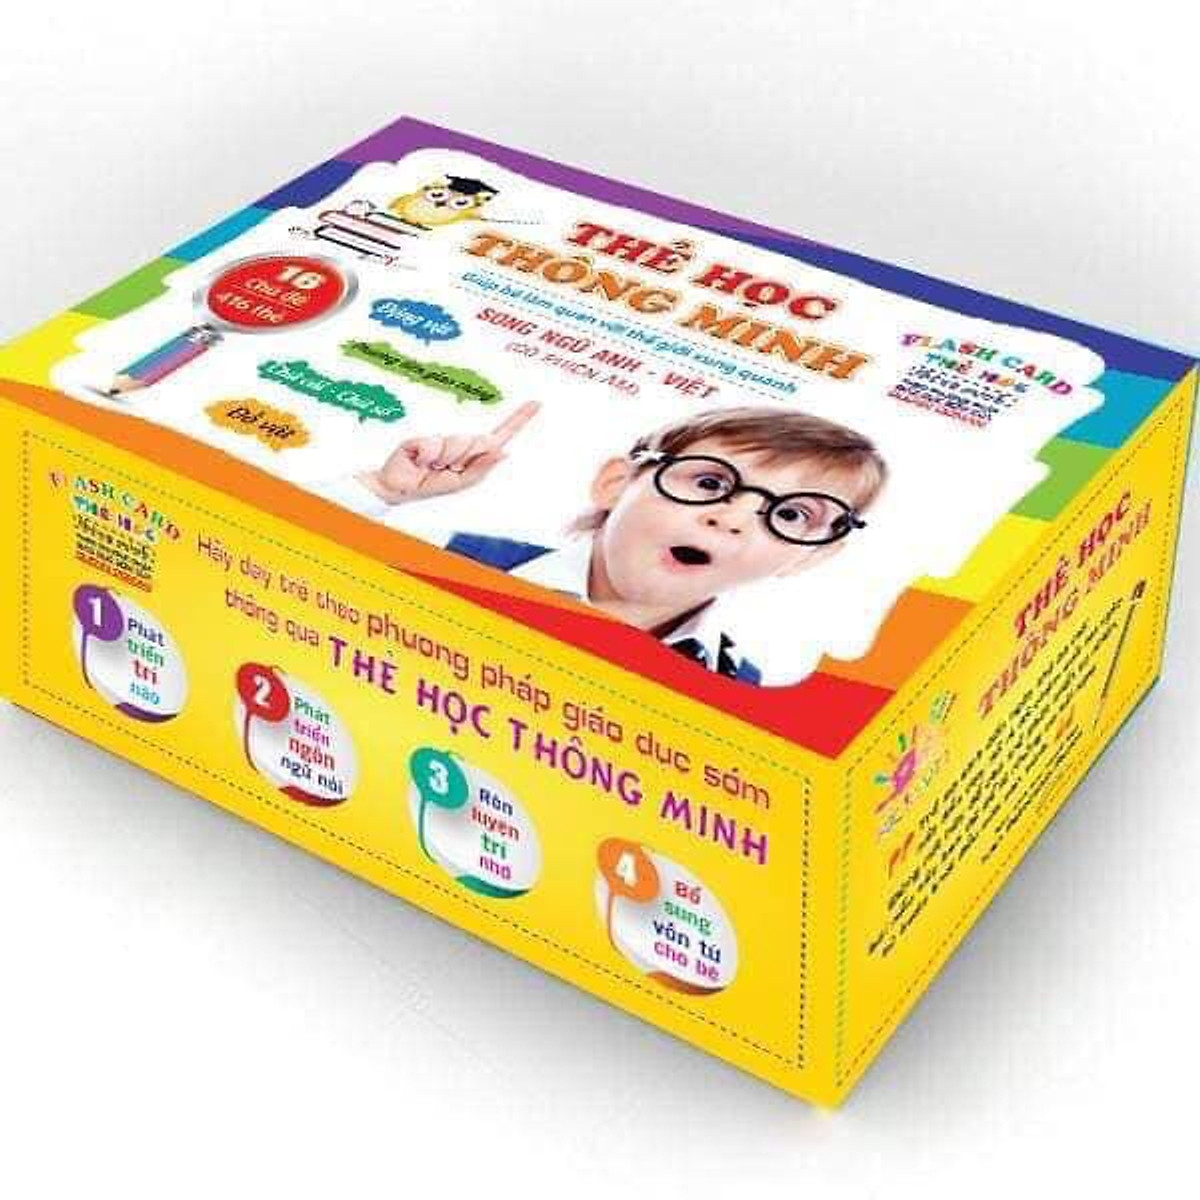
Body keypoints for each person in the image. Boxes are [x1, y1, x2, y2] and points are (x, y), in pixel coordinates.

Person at [316, 402, 887, 683]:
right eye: (711, 483)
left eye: (790, 514)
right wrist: (381, 491)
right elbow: (293, 569)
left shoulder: (738, 687)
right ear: (616, 483)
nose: (731, 519)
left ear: (810, 555)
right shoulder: (456, 560)